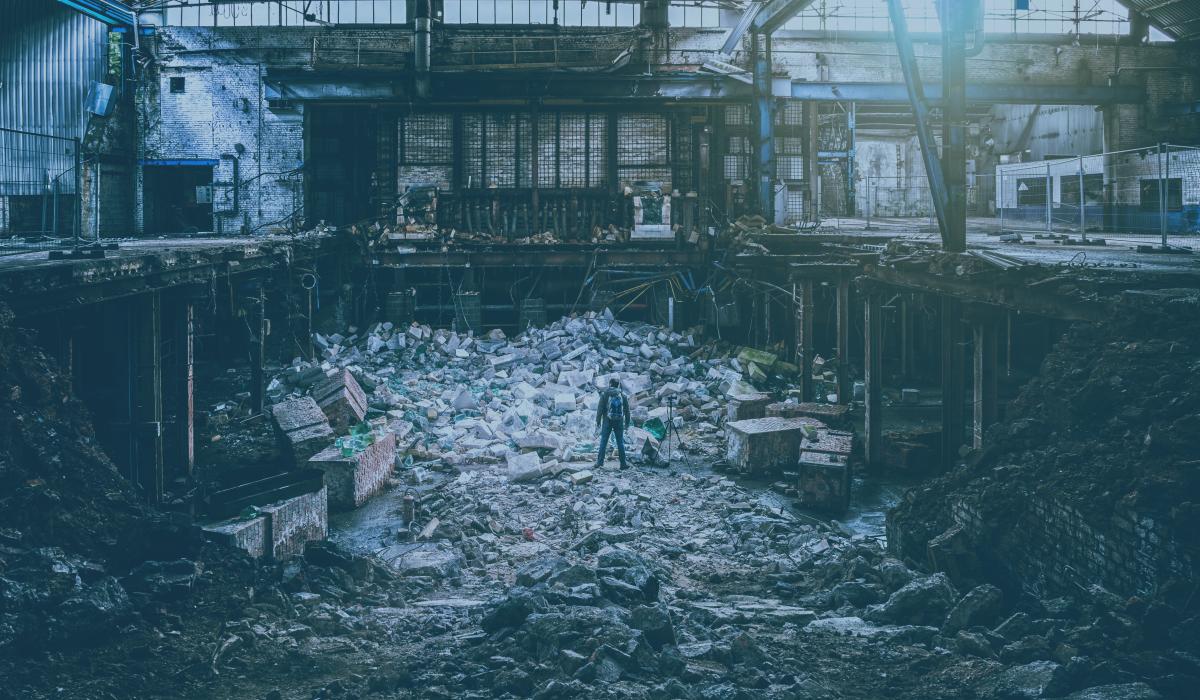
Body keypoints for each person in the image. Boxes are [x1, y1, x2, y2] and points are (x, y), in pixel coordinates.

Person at [594, 378, 631, 469]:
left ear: (610, 384)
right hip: (619, 421)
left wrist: (598, 421)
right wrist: (627, 423)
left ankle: (600, 462)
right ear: (618, 385)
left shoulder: (605, 394)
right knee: (620, 442)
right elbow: (627, 411)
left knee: (604, 441)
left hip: (607, 420)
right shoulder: (622, 395)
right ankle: (623, 464)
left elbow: (600, 409)